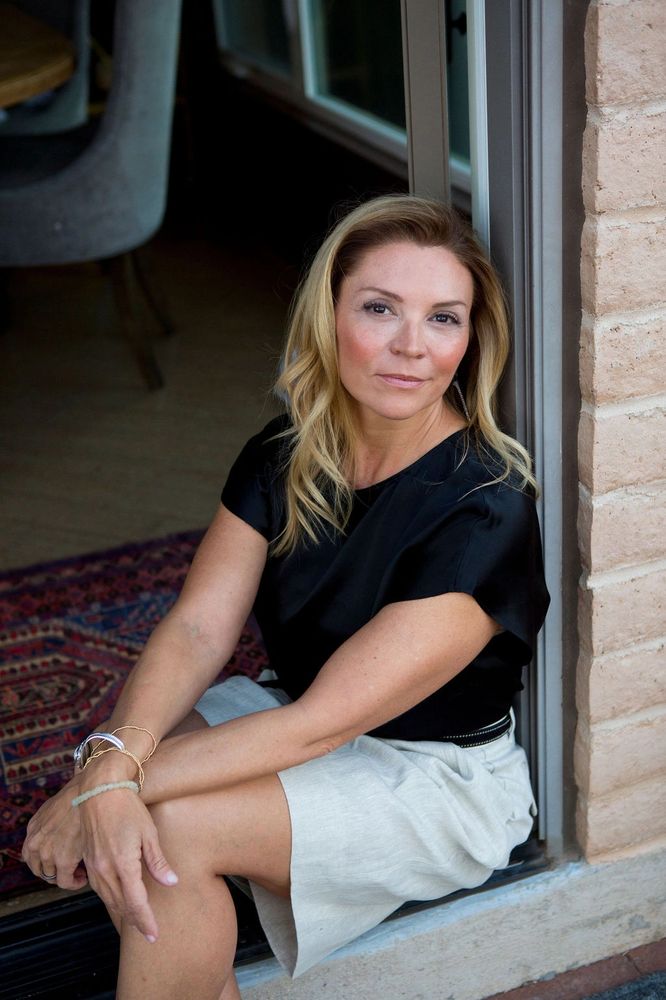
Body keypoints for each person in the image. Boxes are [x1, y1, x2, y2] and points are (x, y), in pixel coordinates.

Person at [22, 194, 549, 999]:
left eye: (444, 318)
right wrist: (115, 758)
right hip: (295, 713)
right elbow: (199, 628)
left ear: (470, 339)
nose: (412, 346)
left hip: (434, 779)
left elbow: (321, 724)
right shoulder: (285, 453)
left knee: (164, 826)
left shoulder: (486, 508)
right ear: (328, 317)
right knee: (137, 759)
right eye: (380, 309)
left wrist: (100, 781)